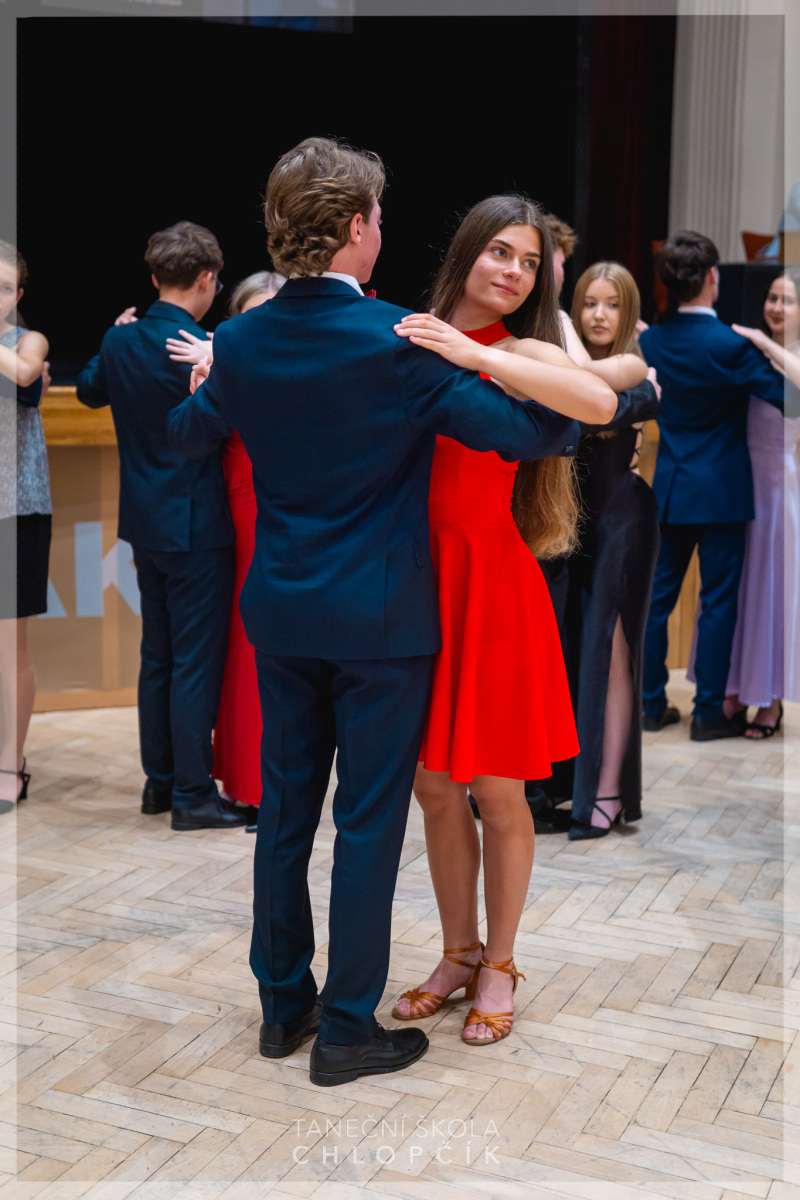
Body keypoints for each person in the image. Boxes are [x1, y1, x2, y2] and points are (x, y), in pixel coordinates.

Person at [167, 137, 616, 1087]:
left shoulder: (241, 341)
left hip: (282, 615)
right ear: (357, 227)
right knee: (368, 824)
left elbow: (186, 439)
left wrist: (212, 383)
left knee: (285, 817)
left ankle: (281, 1008)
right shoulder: (395, 340)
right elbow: (538, 432)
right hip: (382, 622)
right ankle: (345, 1032)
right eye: (377, 217)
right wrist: (509, 377)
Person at [389, 203, 648, 1042]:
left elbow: (599, 401)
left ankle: (499, 963)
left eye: (530, 262)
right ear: (468, 251)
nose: (513, 271)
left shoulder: (522, 351)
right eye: (500, 252)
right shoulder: (408, 332)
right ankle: (458, 952)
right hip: (415, 583)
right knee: (433, 786)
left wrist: (475, 355)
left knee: (497, 790)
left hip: (491, 585)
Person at [76, 221, 257, 831]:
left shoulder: (120, 340)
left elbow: (90, 391)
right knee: (195, 664)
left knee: (158, 656)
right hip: (200, 526)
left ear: (154, 277)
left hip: (143, 524)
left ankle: (158, 785)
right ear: (208, 279)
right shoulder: (210, 347)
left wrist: (116, 338)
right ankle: (193, 796)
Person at [639, 231, 797, 741]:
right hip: (726, 491)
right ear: (713, 277)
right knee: (719, 603)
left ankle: (650, 705)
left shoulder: (652, 341)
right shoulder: (732, 344)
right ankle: (709, 714)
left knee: (655, 602)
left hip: (670, 488)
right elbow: (791, 401)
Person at [166, 271, 286, 819]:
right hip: (249, 504)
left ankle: (265, 778)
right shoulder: (223, 362)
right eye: (254, 314)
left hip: (297, 502)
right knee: (249, 642)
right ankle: (251, 782)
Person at [558, 262, 660, 837]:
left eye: (613, 304)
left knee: (615, 653)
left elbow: (580, 381)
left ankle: (609, 793)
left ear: (629, 312)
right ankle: (570, 785)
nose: (599, 315)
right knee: (577, 650)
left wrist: (557, 330)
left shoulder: (633, 366)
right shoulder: (569, 361)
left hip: (624, 521)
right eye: (590, 303)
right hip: (573, 523)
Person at [688, 268, 800, 736]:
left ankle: (770, 699)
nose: (775, 307)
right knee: (734, 588)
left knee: (772, 591)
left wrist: (764, 343)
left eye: (787, 300)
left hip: (777, 486)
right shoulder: (747, 350)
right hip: (737, 480)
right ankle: (733, 687)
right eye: (771, 298)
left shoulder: (781, 352)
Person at [0, 242, 50, 806]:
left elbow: (24, 372)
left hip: (17, 508)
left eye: (6, 288)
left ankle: (11, 765)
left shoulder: (27, 341)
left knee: (10, 646)